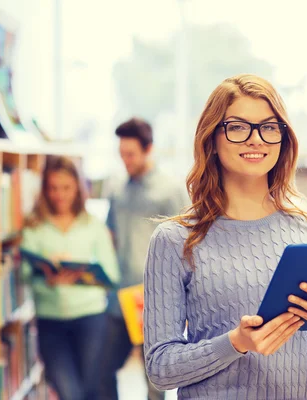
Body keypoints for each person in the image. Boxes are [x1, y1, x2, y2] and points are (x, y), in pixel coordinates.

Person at [143, 74, 307, 400]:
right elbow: (161, 369)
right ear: (212, 139)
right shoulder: (175, 240)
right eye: (237, 127)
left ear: (283, 139)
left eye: (269, 127)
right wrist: (235, 343)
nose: (256, 139)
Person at [100, 117, 188, 400]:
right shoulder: (117, 190)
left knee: (155, 382)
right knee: (101, 370)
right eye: (121, 155)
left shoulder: (170, 191)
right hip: (118, 298)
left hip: (153, 301)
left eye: (131, 155)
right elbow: (109, 235)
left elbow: (186, 243)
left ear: (148, 149)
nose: (125, 160)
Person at [21, 156, 120, 400]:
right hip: (50, 321)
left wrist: (81, 275)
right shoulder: (34, 227)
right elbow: (24, 275)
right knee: (70, 393)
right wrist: (47, 278)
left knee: (92, 391)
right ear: (45, 190)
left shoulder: (93, 226)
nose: (59, 195)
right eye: (53, 188)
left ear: (77, 188)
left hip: (90, 320)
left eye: (66, 188)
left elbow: (112, 275)